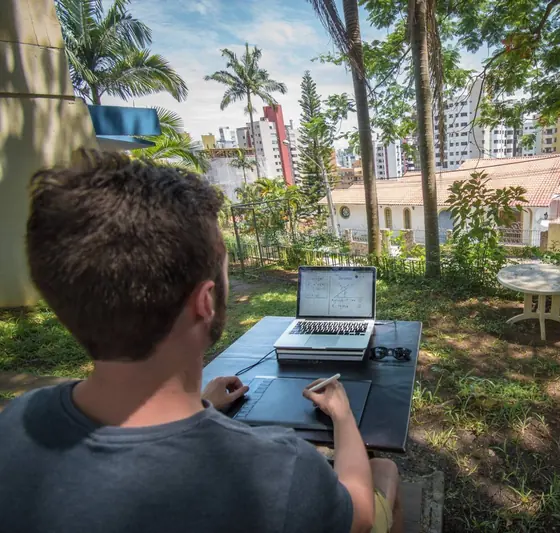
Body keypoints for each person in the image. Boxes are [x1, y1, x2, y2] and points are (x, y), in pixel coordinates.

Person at [0, 150, 402, 533]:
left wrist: (207, 405)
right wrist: (343, 417)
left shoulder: (18, 421)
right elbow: (359, 517)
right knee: (382, 471)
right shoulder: (276, 467)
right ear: (206, 301)